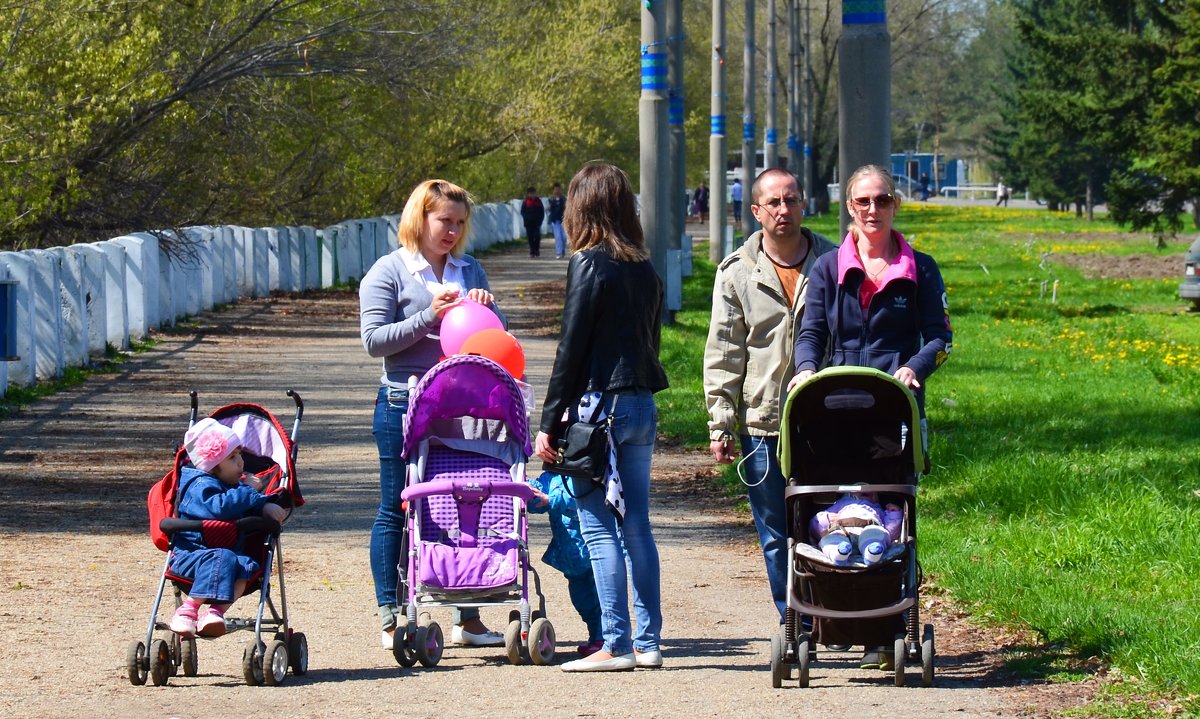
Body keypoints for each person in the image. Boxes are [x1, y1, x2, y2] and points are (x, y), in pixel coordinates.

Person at [787, 163, 951, 669]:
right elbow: (810, 332)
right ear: (849, 209)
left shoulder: (919, 268)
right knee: (820, 502)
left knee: (892, 506)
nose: (873, 210)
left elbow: (939, 337)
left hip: (891, 410)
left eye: (881, 200)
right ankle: (824, 617)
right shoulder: (826, 269)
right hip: (832, 410)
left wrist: (914, 368)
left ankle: (885, 630)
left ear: (894, 204)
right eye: (863, 202)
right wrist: (806, 369)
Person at [534, 161, 669, 672]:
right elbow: (650, 344)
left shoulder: (589, 263)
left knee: (597, 528)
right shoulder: (646, 268)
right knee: (637, 525)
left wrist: (549, 422)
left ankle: (616, 643)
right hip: (640, 405)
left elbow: (572, 349)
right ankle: (650, 643)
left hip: (598, 409)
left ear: (580, 207)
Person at [360, 178, 506, 650]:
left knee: (464, 501)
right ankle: (390, 616)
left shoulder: (471, 269)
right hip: (403, 403)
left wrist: (489, 309)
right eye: (445, 220)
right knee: (395, 508)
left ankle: (469, 615)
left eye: (460, 223)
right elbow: (373, 342)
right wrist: (429, 318)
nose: (452, 231)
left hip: (463, 406)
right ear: (420, 218)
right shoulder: (389, 271)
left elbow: (496, 339)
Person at [703, 168, 836, 626]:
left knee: (829, 522)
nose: (784, 210)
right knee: (776, 533)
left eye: (792, 200)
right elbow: (723, 352)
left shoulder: (835, 264)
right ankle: (794, 618)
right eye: (774, 203)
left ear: (804, 206)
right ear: (757, 211)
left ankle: (833, 613)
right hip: (762, 426)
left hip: (827, 420)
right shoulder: (737, 273)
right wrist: (721, 421)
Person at [168, 418, 289, 639]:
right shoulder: (199, 487)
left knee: (247, 567)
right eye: (232, 458)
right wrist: (249, 491)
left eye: (240, 454)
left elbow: (240, 504)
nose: (241, 463)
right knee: (223, 557)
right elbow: (220, 508)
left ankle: (215, 613)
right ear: (213, 467)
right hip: (192, 558)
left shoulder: (229, 485)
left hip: (228, 558)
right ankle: (188, 609)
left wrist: (265, 505)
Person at [527, 471, 603, 656]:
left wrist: (551, 500)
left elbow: (579, 500)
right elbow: (537, 504)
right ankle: (596, 636)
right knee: (582, 600)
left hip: (590, 549)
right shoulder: (550, 477)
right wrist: (527, 490)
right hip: (570, 555)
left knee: (599, 597)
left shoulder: (584, 475)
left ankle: (603, 637)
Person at [809, 493, 902, 566]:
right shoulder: (841, 504)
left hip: (868, 529)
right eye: (859, 487)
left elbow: (891, 532)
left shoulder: (878, 510)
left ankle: (871, 552)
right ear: (849, 494)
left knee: (878, 533)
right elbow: (816, 525)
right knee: (830, 538)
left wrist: (894, 514)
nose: (865, 489)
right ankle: (838, 552)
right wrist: (826, 518)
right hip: (843, 530)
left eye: (872, 490)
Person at [521, 186, 545, 258]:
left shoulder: (538, 201)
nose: (532, 195)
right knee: (530, 237)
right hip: (528, 223)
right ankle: (532, 251)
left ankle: (537, 250)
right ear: (528, 194)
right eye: (531, 193)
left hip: (537, 223)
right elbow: (522, 212)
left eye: (534, 193)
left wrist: (540, 220)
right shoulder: (526, 202)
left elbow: (542, 212)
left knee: (537, 237)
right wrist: (526, 218)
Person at [547, 182, 567, 259]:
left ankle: (562, 250)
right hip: (555, 221)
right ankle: (558, 252)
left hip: (563, 220)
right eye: (555, 189)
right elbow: (549, 210)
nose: (557, 191)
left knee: (564, 237)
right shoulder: (551, 199)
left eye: (558, 189)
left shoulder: (564, 199)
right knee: (558, 236)